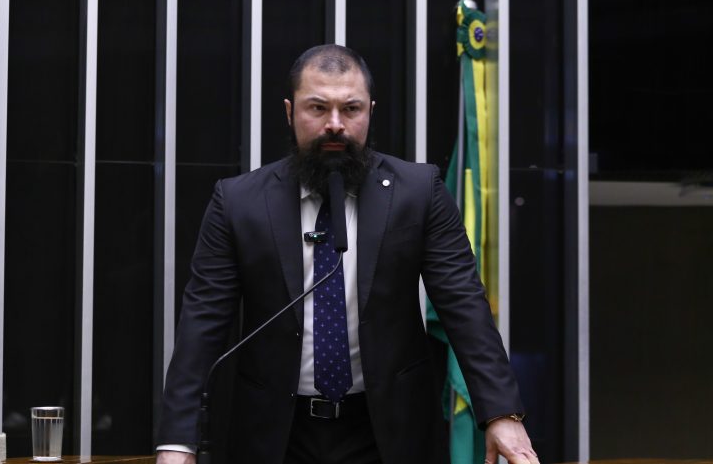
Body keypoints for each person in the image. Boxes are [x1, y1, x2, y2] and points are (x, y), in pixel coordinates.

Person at [156, 44, 538, 464]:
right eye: (317, 108)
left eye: (350, 109)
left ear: (370, 111)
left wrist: (501, 412)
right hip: (273, 433)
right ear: (289, 112)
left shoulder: (419, 192)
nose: (334, 125)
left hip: (388, 431)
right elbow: (202, 322)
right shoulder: (237, 202)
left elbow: (464, 304)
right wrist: (178, 442)